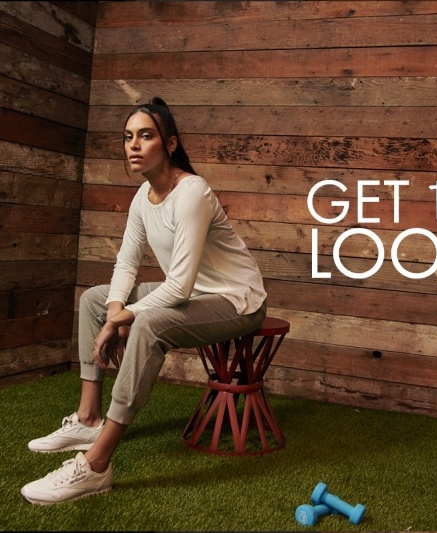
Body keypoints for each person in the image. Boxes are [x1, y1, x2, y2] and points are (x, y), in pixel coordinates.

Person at [21, 98, 267, 505]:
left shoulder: (192, 193)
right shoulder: (142, 197)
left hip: (235, 299)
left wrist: (123, 320)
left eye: (146, 136)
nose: (134, 145)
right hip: (192, 292)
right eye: (128, 137)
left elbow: (180, 289)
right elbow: (126, 263)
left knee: (150, 325)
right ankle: (88, 418)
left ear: (170, 145)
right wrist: (114, 311)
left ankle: (96, 466)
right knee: (95, 300)